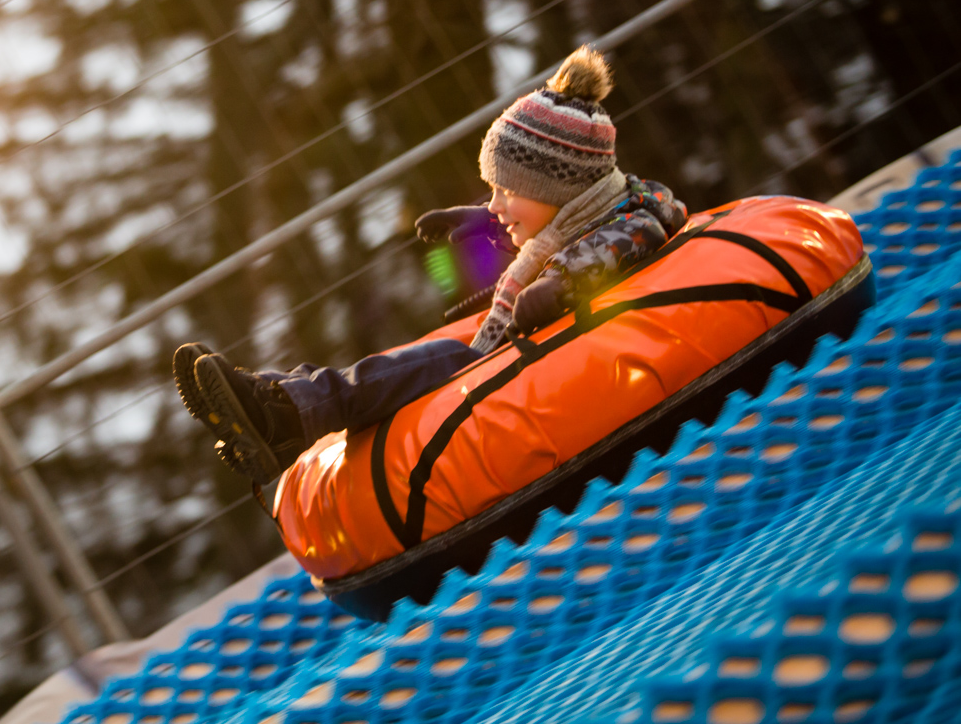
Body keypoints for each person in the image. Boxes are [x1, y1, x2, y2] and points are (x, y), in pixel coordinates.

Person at [175, 47, 688, 483]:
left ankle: (284, 413)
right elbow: (560, 230)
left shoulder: (634, 217)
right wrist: (483, 222)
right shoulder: (583, 212)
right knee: (414, 364)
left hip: (559, 379)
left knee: (440, 362)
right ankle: (277, 399)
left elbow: (616, 243)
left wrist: (562, 284)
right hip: (538, 362)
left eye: (507, 190)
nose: (495, 204)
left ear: (559, 187)